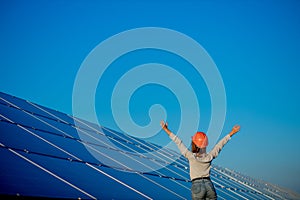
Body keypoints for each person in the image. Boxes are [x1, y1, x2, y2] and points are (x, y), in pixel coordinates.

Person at [160, 120, 240, 200]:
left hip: (197, 186)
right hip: (209, 186)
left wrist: (166, 129)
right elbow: (220, 145)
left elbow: (178, 142)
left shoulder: (191, 156)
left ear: (194, 144)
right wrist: (232, 132)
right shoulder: (210, 156)